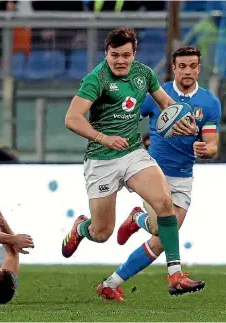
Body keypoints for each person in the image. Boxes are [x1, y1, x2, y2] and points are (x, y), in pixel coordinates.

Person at [61, 28, 204, 299]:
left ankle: (175, 274)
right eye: (115, 55)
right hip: (102, 159)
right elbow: (72, 118)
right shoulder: (96, 79)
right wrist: (103, 137)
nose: (120, 61)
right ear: (107, 53)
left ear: (133, 54)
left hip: (134, 153)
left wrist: (181, 119)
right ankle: (82, 227)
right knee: (102, 232)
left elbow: (166, 103)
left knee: (164, 204)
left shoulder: (144, 74)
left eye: (125, 55)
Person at [101, 45, 221, 301]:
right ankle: (175, 276)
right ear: (174, 69)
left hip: (184, 176)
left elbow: (212, 145)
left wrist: (205, 149)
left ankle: (111, 282)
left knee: (161, 239)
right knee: (165, 228)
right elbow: (129, 116)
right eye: (182, 66)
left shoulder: (210, 103)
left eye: (192, 66)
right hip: (152, 172)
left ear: (199, 68)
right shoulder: (158, 94)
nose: (187, 71)